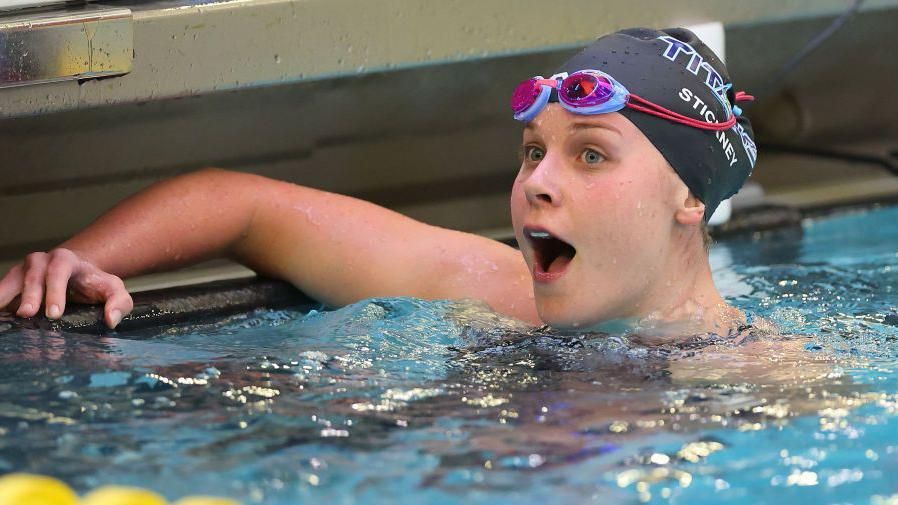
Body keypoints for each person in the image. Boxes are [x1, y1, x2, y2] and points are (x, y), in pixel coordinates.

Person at [0, 27, 759, 339]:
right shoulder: (494, 291)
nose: (537, 184)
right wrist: (79, 257)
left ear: (689, 197)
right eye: (533, 152)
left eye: (590, 154)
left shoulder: (770, 396)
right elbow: (244, 204)